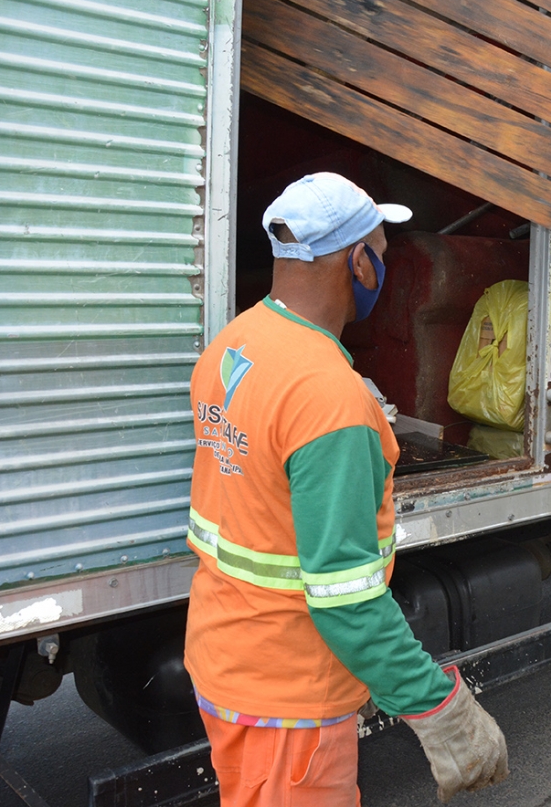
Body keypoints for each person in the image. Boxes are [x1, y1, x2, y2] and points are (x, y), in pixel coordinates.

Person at [185, 172, 508, 806]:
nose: (383, 266)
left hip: (224, 655)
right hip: (290, 695)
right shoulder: (329, 397)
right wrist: (438, 706)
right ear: (359, 263)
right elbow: (346, 598)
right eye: (382, 251)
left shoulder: (235, 342)